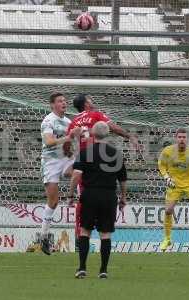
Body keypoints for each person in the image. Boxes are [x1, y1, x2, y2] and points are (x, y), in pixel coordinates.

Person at [66, 93, 138, 240]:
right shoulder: (96, 115)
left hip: (85, 161)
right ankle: (105, 234)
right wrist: (129, 136)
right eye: (90, 99)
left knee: (84, 198)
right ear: (86, 103)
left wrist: (70, 155)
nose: (92, 101)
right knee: (106, 192)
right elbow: (113, 128)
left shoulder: (73, 122)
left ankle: (81, 236)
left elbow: (67, 143)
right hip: (102, 158)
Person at [68, 121, 127, 279]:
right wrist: (123, 197)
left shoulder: (85, 152)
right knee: (105, 234)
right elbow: (122, 179)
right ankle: (103, 270)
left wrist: (70, 194)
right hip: (108, 196)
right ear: (107, 134)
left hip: (90, 194)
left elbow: (76, 175)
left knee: (85, 231)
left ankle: (82, 268)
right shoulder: (116, 154)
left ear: (93, 134)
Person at [40, 92, 82, 255]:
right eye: (60, 101)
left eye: (65, 101)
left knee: (80, 174)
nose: (64, 103)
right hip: (50, 162)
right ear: (52, 105)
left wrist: (73, 146)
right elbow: (49, 142)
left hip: (66, 160)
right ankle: (44, 236)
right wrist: (68, 138)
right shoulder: (48, 121)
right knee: (53, 201)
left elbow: (71, 141)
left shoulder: (69, 121)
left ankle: (81, 230)